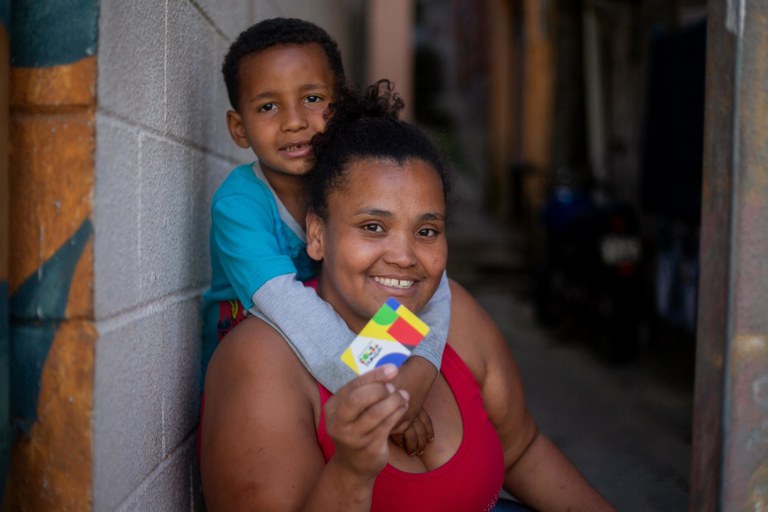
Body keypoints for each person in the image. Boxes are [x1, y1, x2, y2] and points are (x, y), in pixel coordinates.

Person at [200, 81, 616, 511]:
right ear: (317, 235)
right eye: (373, 227)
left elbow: (523, 448)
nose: (404, 257)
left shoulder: (455, 315)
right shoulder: (261, 362)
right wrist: (353, 470)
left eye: (426, 231)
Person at [202, 18, 451, 453]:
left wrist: (420, 373)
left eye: (312, 99)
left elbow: (433, 288)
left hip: (346, 363)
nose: (295, 122)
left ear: (340, 105)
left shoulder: (353, 182)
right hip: (262, 380)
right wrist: (386, 399)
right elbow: (292, 311)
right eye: (267, 107)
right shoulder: (239, 206)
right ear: (239, 128)